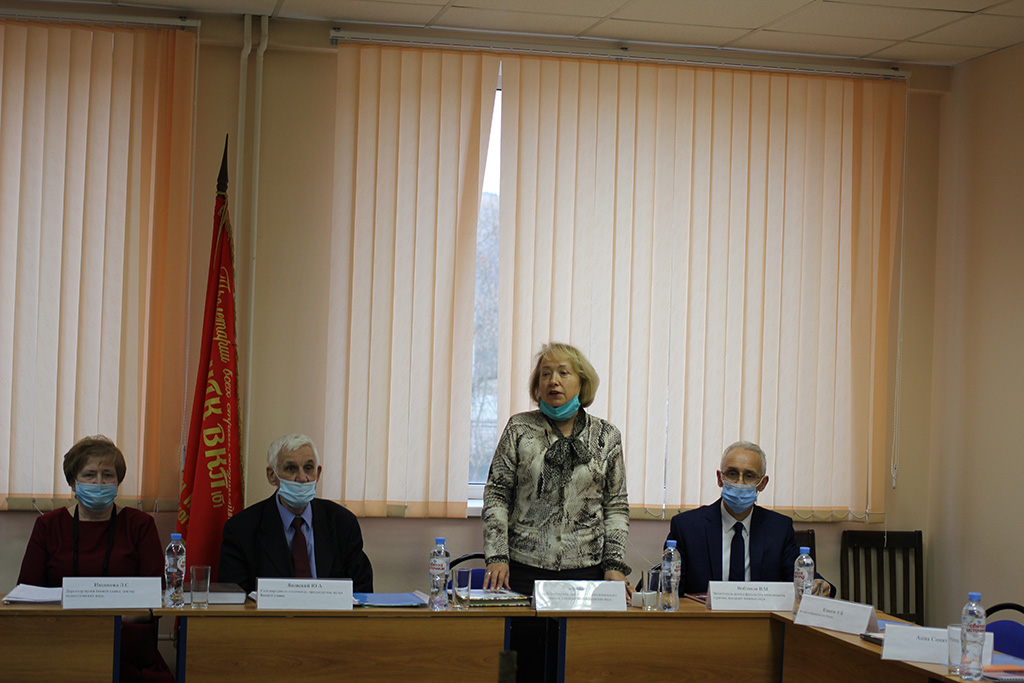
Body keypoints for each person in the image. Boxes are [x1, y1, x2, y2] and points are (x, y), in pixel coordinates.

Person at [17, 436, 172, 682]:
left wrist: (110, 621)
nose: (99, 483)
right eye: (89, 475)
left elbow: (157, 596)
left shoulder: (140, 525)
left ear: (118, 481)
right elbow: (28, 592)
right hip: (60, 643)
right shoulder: (48, 526)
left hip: (126, 649)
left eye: (107, 475)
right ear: (73, 483)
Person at [482, 342, 631, 594]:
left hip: (587, 570)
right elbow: (497, 494)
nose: (553, 381)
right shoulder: (519, 428)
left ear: (581, 383)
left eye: (563, 372)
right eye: (545, 374)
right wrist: (497, 556)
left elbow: (616, 505)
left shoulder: (606, 435)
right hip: (523, 568)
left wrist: (614, 564)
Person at [666, 440, 832, 596]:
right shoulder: (687, 527)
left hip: (760, 617)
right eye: (732, 474)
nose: (739, 482)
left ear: (762, 483)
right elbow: (671, 590)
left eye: (749, 476)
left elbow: (799, 577)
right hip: (705, 616)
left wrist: (818, 584)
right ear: (719, 478)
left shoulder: (779, 529)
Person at [218, 433, 373, 593]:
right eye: (291, 468)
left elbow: (362, 591)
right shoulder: (241, 529)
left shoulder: (343, 523)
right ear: (272, 476)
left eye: (308, 468)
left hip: (330, 610)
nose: (302, 478)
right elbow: (234, 599)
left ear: (318, 473)